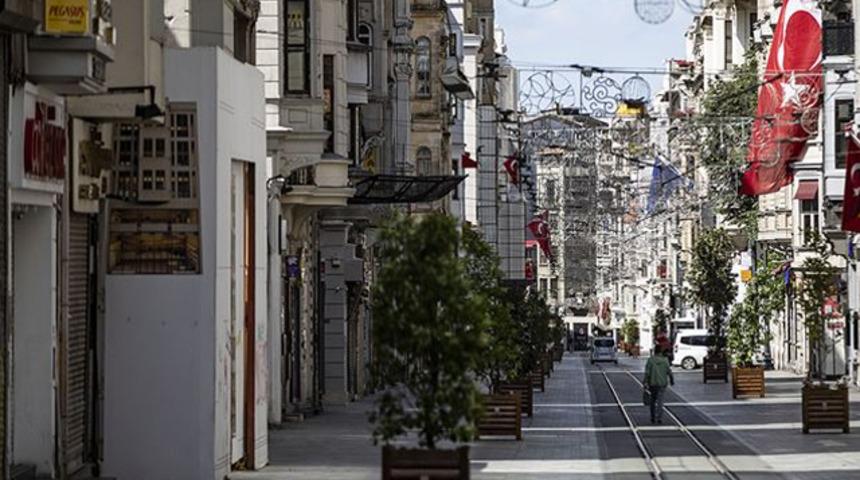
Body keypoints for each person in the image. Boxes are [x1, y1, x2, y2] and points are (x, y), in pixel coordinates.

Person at [644, 344, 674, 424]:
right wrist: (672, 380)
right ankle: (659, 417)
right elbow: (669, 371)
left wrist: (645, 382)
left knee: (652, 401)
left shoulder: (650, 360)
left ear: (654, 351)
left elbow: (647, 372)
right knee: (660, 401)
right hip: (662, 383)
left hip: (652, 383)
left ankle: (653, 417)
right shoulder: (665, 360)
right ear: (661, 351)